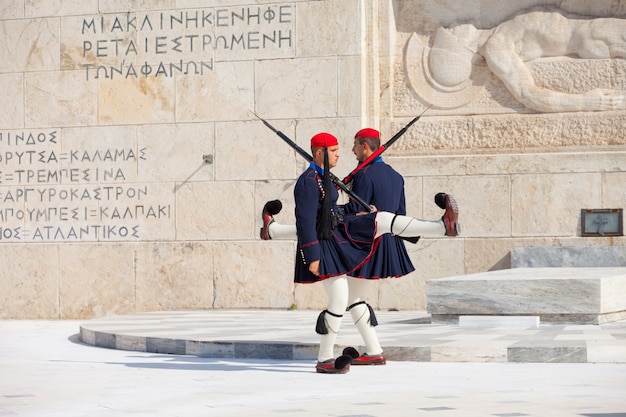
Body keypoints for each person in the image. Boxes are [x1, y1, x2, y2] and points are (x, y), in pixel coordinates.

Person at [261, 131, 460, 374]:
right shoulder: (308, 181)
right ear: (320, 153)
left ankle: (442, 227)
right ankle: (324, 358)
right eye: (334, 151)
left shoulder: (323, 177)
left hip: (335, 237)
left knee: (381, 220)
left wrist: (360, 215)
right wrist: (311, 256)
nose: (340, 153)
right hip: (323, 246)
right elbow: (305, 222)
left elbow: (331, 213)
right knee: (339, 299)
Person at [415, 7, 626, 112]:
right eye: (452, 34)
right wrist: (584, 102)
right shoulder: (497, 49)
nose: (455, 24)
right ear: (462, 46)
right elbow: (530, 95)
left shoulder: (499, 30)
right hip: (592, 38)